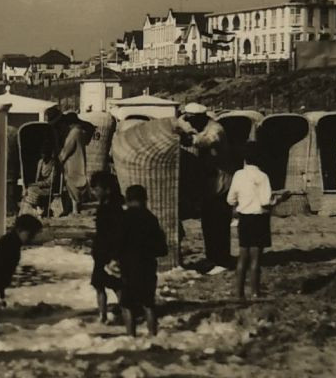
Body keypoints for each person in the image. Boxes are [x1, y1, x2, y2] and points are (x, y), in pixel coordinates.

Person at [175, 102, 235, 269]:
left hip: (221, 180)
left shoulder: (215, 129)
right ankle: (212, 256)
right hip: (208, 181)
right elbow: (180, 121)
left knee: (219, 222)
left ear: (201, 118)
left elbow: (203, 142)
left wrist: (188, 137)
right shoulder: (196, 123)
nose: (190, 123)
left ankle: (222, 259)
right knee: (208, 222)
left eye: (193, 121)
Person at [118, 184, 169, 339]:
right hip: (147, 264)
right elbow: (162, 248)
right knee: (148, 303)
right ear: (144, 199)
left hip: (128, 265)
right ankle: (153, 335)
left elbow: (117, 243)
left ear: (127, 199)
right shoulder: (151, 218)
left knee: (127, 305)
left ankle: (131, 337)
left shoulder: (123, 218)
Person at [227, 141, 274, 302]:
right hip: (259, 218)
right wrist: (279, 200)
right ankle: (255, 292)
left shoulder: (238, 175)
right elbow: (266, 201)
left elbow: (230, 199)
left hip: (244, 219)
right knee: (256, 259)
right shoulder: (263, 177)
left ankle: (238, 292)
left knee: (242, 256)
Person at [89, 171, 124, 324]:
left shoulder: (114, 209)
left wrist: (115, 254)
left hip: (110, 252)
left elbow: (116, 233)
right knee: (100, 284)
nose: (94, 192)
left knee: (115, 284)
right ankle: (102, 315)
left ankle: (125, 310)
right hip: (102, 252)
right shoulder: (105, 206)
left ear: (107, 189)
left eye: (97, 189)